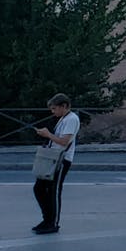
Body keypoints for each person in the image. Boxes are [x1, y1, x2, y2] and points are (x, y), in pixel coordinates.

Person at [32, 93, 80, 234]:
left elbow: (64, 141)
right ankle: (47, 219)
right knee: (39, 188)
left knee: (54, 191)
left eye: (54, 108)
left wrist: (47, 134)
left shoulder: (71, 119)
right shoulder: (63, 119)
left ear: (64, 106)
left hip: (62, 159)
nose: (53, 112)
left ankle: (53, 223)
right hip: (52, 158)